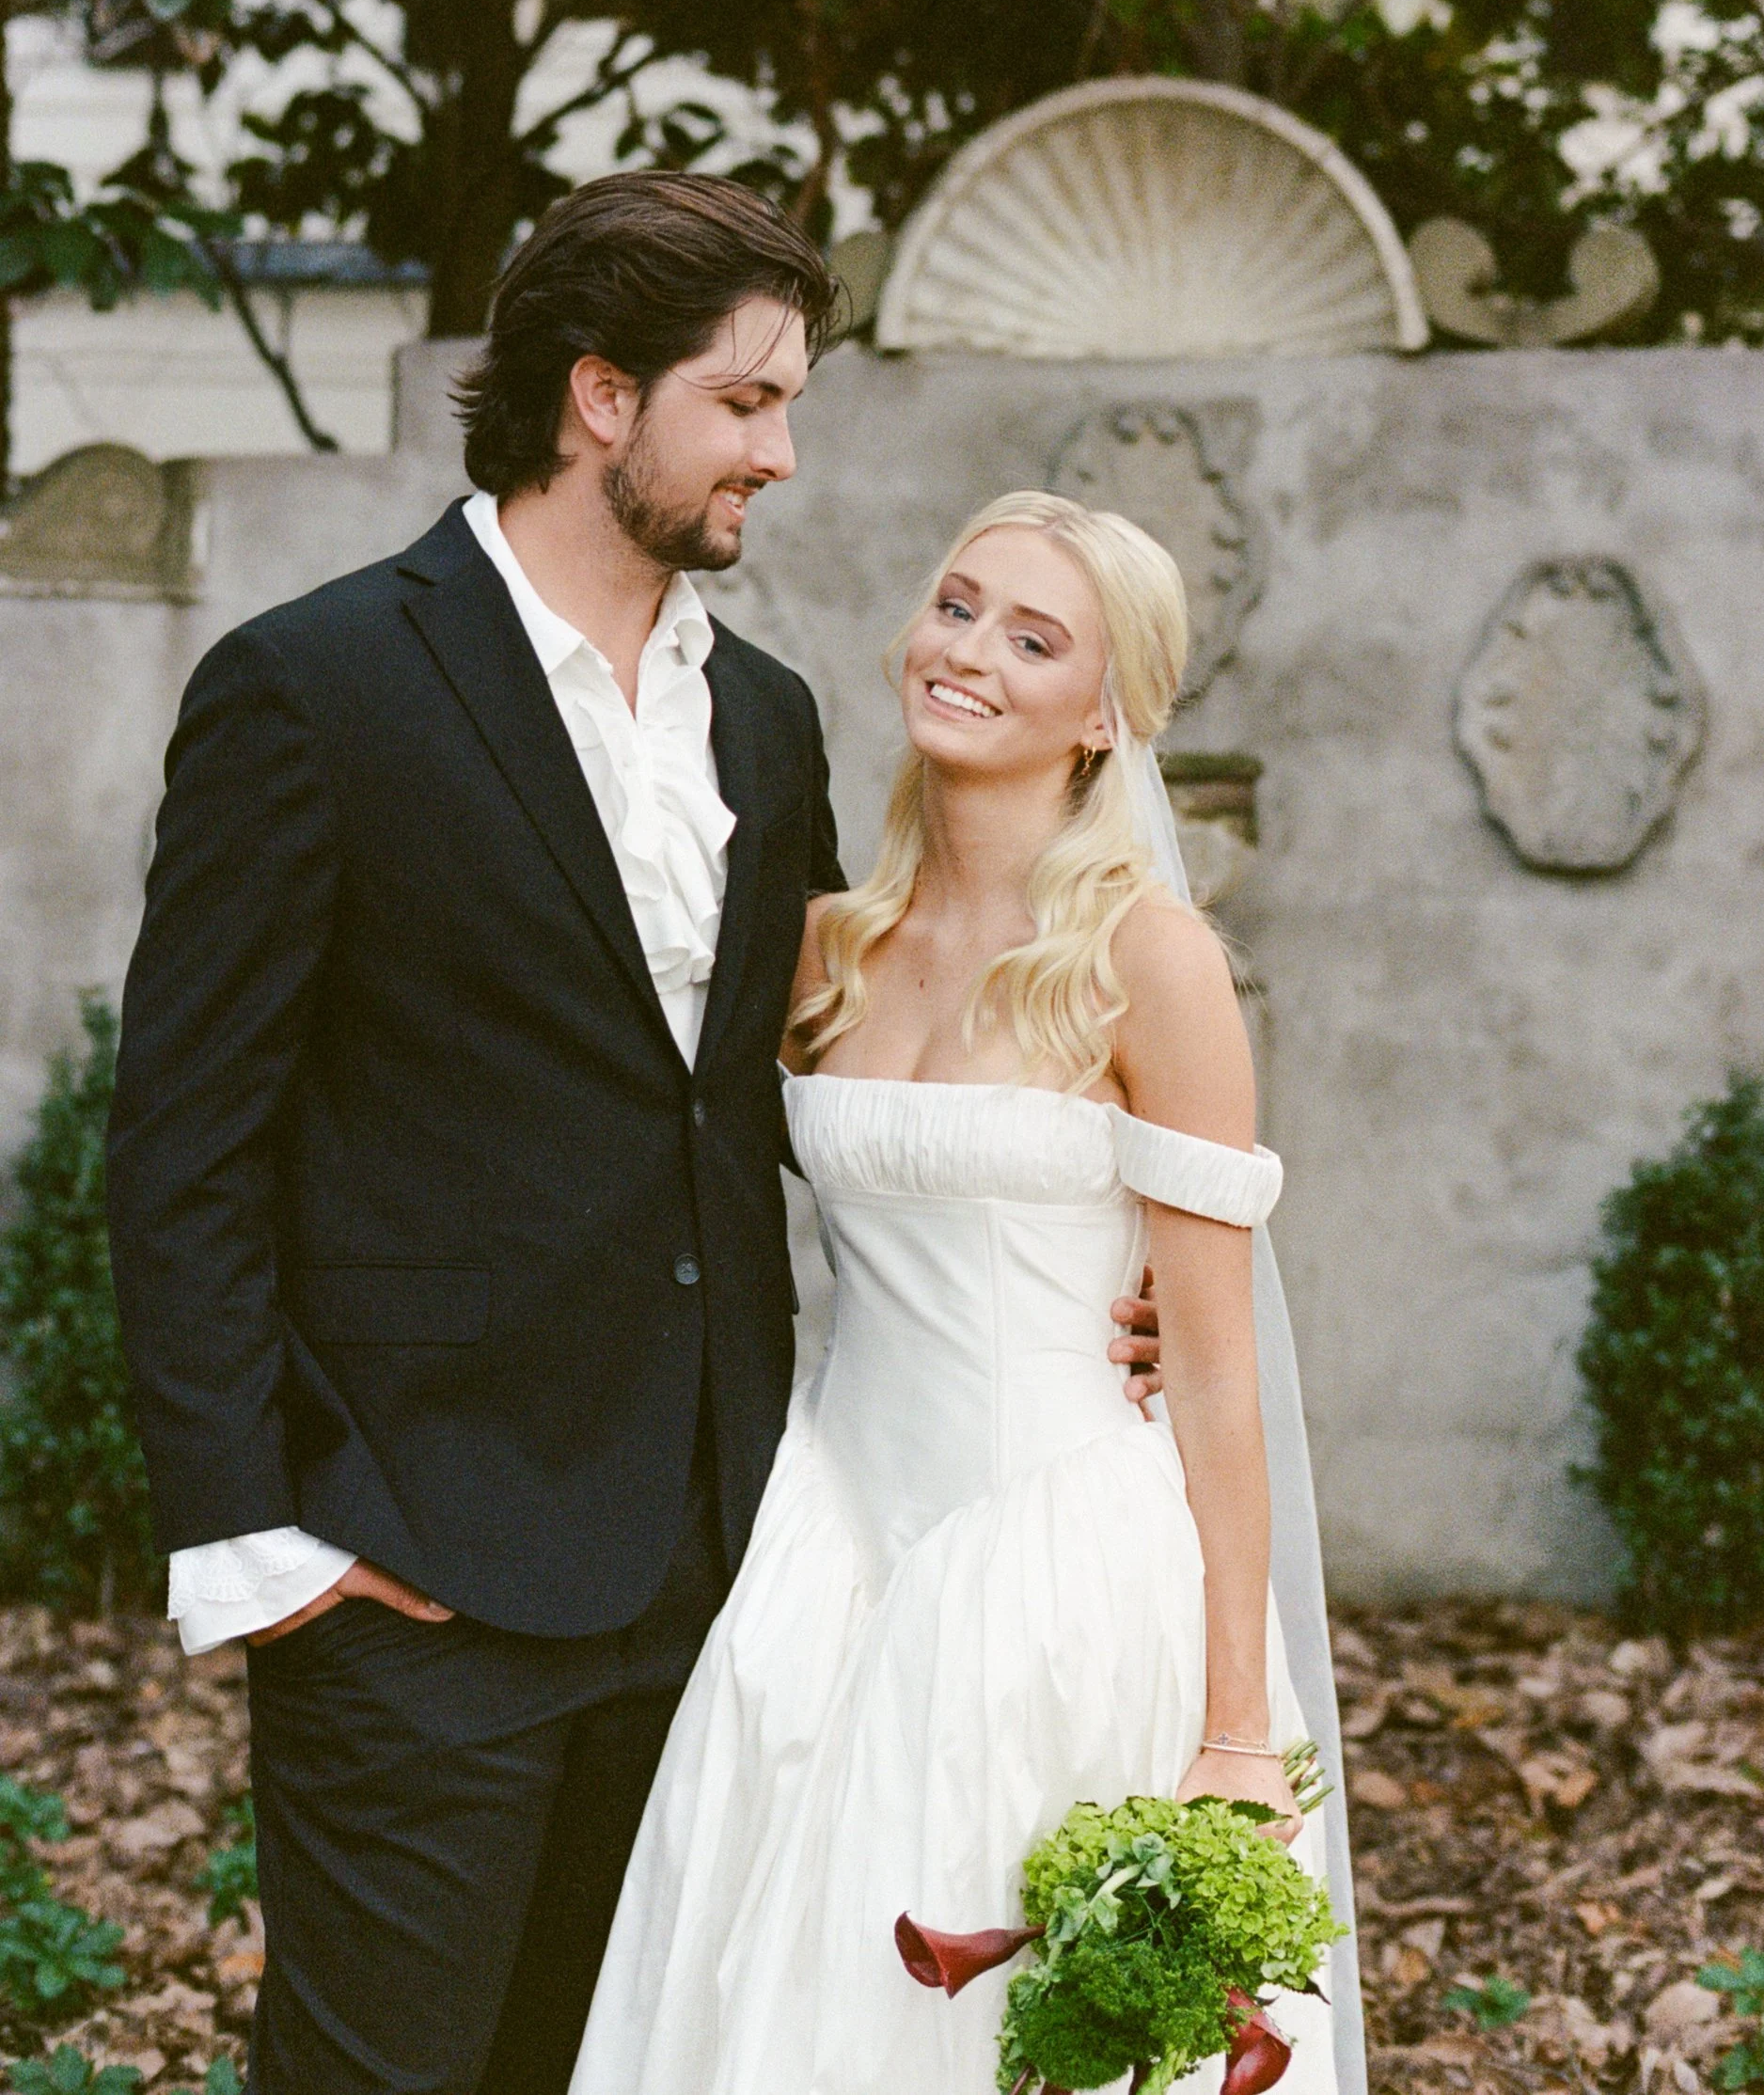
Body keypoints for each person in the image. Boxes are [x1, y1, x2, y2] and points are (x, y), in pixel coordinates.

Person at [103, 175, 1162, 2095]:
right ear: (604, 399)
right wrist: (259, 1540)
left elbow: (838, 1072)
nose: (782, 450)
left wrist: (1108, 1251)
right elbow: (185, 1141)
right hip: (411, 1570)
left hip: (714, 1573)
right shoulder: (315, 688)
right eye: (747, 402)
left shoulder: (761, 720)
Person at [567, 489, 1362, 2095]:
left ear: (1107, 712)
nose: (969, 651)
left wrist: (1228, 1730)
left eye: (1032, 636)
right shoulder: (821, 949)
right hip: (824, 1547)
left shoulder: (1151, 960)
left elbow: (1211, 1373)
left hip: (1056, 1575)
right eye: (956, 603)